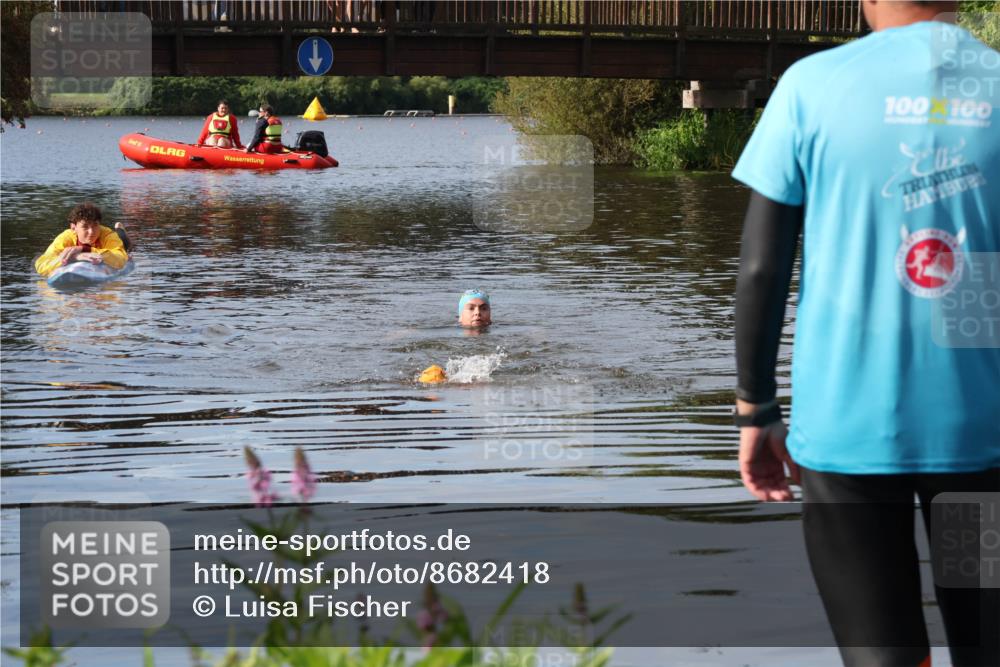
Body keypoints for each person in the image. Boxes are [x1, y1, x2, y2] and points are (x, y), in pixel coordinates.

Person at [731, 1, 999, 666]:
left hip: (848, 434)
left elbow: (761, 268)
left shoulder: (813, 84)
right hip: (985, 434)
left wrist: (756, 408)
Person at [35, 203, 130, 278]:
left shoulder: (108, 235)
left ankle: (120, 228)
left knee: (124, 241)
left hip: (118, 241)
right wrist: (74, 257)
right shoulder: (65, 238)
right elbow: (41, 264)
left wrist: (86, 249)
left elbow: (121, 259)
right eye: (85, 226)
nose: (91, 231)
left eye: (95, 225)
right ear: (73, 227)